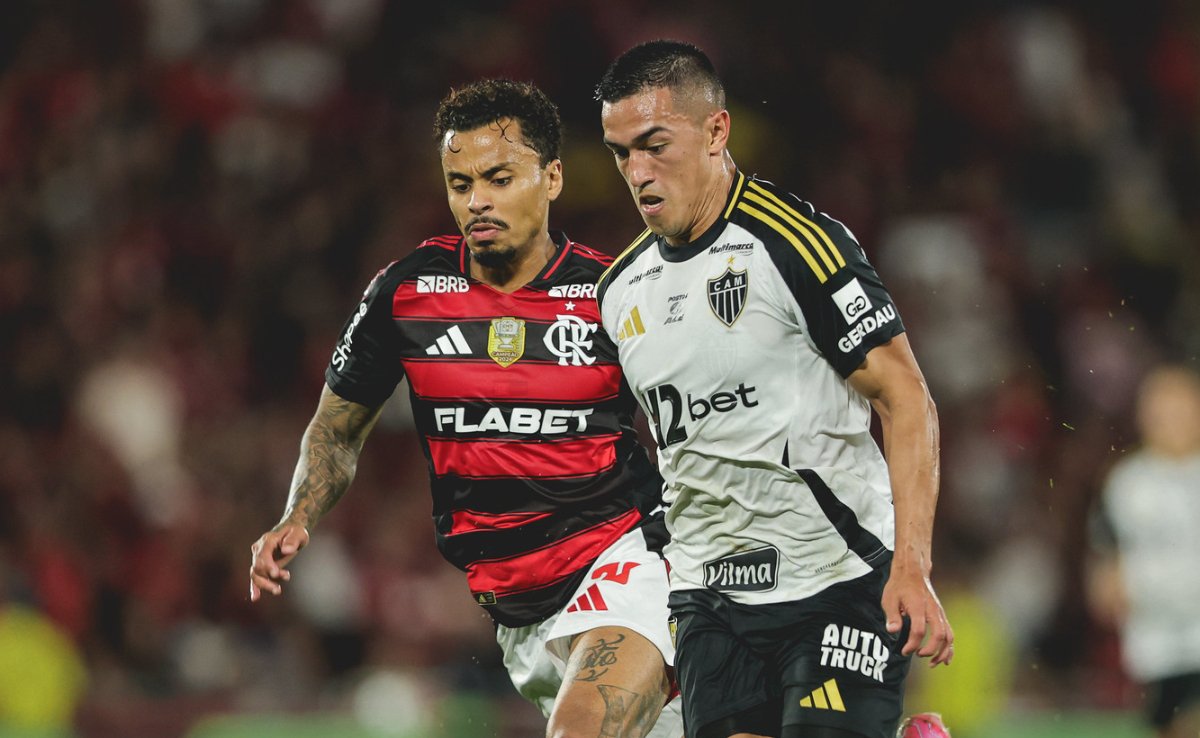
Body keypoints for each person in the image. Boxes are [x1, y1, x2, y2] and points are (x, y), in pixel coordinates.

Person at [249, 79, 682, 738]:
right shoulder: (408, 292)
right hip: (518, 615)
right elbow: (337, 431)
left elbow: (695, 424)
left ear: (552, 177)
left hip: (627, 561)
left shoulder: (612, 292)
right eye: (459, 183)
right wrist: (297, 516)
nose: (476, 200)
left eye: (499, 178)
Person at [593, 41, 953, 738]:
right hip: (709, 597)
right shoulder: (619, 292)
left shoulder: (798, 246)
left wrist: (911, 563)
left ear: (716, 132)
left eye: (654, 145)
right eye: (619, 153)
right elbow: (635, 452)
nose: (637, 172)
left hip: (836, 579)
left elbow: (905, 398)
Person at [1088, 365, 1200, 738]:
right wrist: (1108, 586)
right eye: (1161, 412)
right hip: (1158, 643)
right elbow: (1104, 563)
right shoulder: (1127, 484)